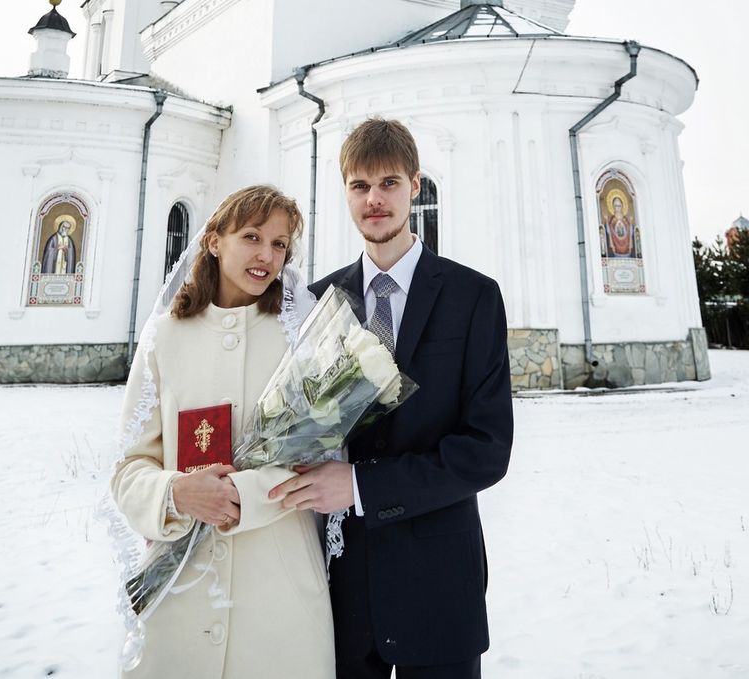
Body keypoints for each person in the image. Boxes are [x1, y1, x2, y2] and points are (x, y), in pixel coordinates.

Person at [270, 118, 513, 679]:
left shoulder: (472, 297)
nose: (374, 200)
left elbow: (487, 448)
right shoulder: (315, 303)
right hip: (343, 587)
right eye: (359, 186)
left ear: (415, 186)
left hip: (438, 579)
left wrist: (359, 485)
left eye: (388, 184)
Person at [110, 185, 335, 679]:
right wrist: (175, 493)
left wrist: (241, 495)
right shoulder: (165, 337)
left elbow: (322, 456)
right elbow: (128, 469)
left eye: (280, 245)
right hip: (181, 595)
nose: (266, 256)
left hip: (280, 594)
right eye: (252, 236)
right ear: (214, 240)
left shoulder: (302, 337)